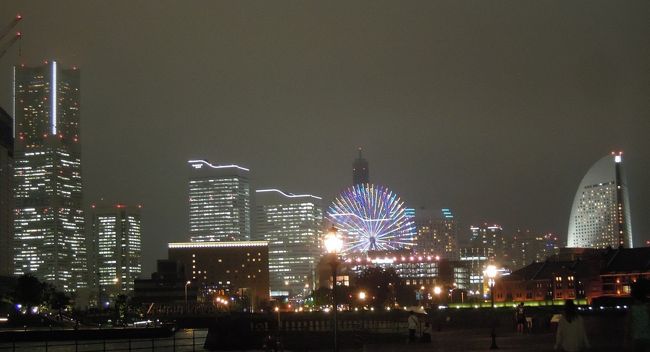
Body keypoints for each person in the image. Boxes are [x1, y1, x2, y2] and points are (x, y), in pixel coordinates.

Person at [626, 280, 650, 352]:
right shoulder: (648, 307)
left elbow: (628, 324)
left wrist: (627, 338)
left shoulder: (632, 309)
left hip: (636, 337)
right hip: (648, 337)